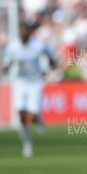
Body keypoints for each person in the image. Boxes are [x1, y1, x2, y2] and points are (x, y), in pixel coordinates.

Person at [3, 23, 55, 158]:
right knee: (21, 114)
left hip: (35, 83)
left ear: (29, 33)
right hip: (20, 83)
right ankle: (27, 145)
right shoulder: (13, 47)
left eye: (25, 31)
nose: (23, 34)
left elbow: (49, 54)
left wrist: (51, 65)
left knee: (31, 116)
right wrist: (6, 67)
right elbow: (6, 62)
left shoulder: (37, 45)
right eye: (21, 31)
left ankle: (38, 118)